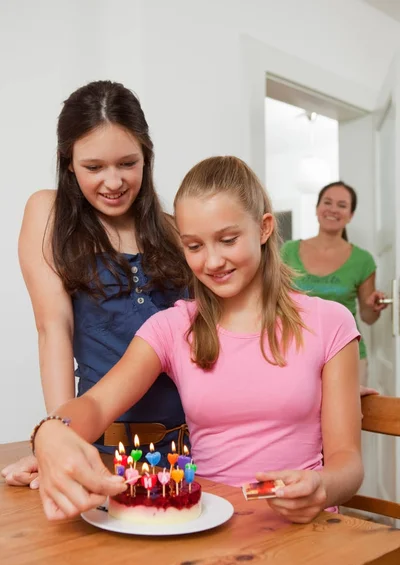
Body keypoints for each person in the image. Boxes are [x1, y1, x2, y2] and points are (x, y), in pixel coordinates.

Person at [32, 156, 363, 524]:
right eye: (194, 246)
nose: (212, 261)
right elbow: (94, 406)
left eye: (228, 240)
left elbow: (347, 464)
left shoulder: (330, 322)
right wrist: (50, 432)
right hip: (205, 529)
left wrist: (321, 486)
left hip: (307, 533)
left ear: (265, 227)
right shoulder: (172, 328)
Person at [1, 81, 191, 487]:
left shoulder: (174, 230)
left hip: (194, 451)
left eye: (127, 163)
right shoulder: (47, 212)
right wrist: (59, 439)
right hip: (105, 451)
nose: (113, 182)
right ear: (67, 161)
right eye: (94, 167)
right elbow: (54, 328)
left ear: (147, 157)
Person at [280, 181, 388, 386]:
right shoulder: (288, 251)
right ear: (317, 208)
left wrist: (374, 306)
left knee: (347, 417)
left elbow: (368, 317)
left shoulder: (362, 260)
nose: (333, 209)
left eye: (342, 205)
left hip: (347, 353)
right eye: (327, 202)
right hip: (295, 350)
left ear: (351, 215)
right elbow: (274, 300)